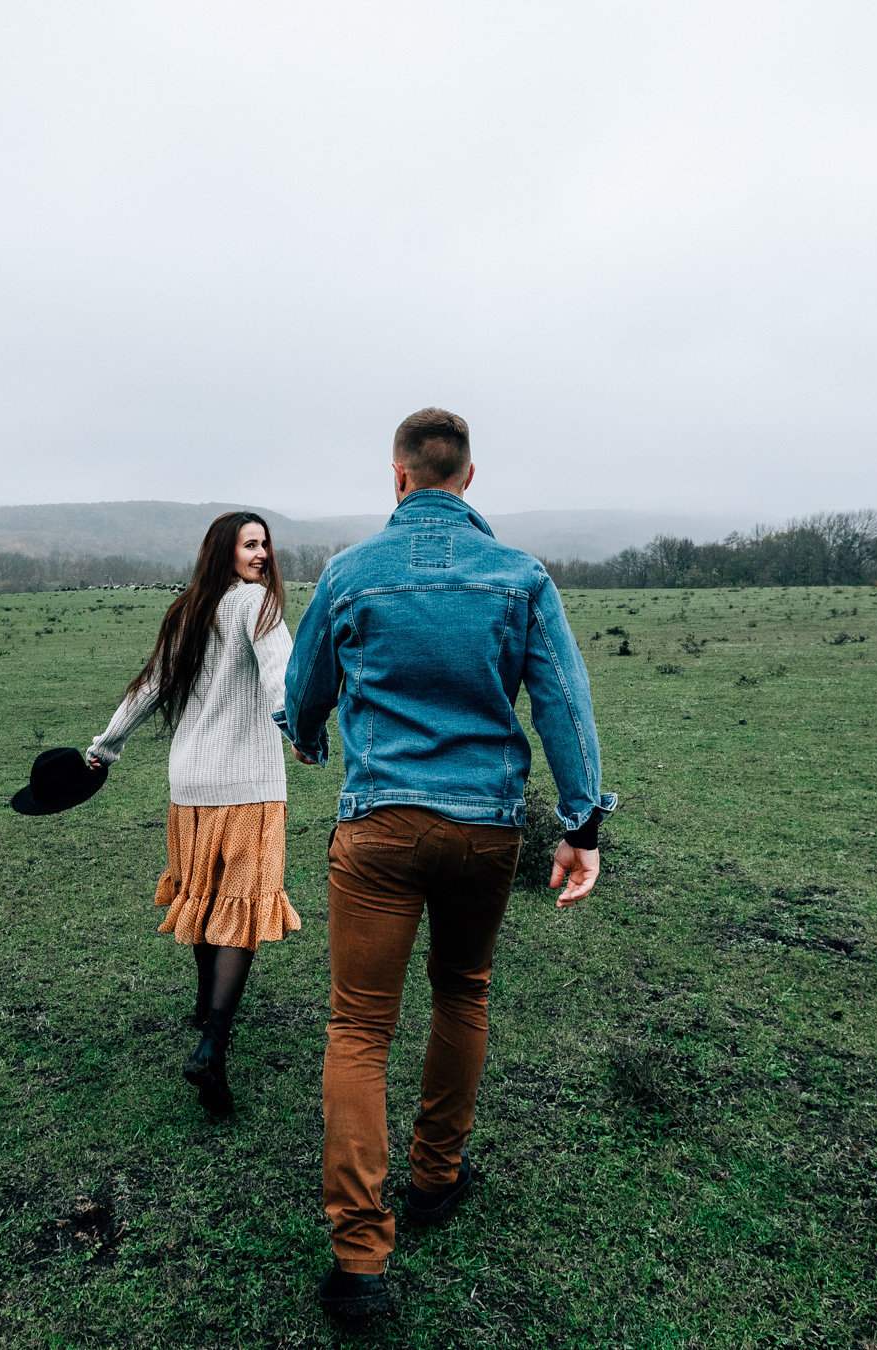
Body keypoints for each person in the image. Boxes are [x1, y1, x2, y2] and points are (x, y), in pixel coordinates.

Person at [278, 408, 614, 1320]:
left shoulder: (349, 573)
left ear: (399, 476)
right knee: (463, 991)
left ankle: (360, 1260)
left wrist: (307, 734)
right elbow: (564, 703)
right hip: (485, 829)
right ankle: (435, 1176)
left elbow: (304, 691)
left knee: (359, 1029)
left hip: (379, 827)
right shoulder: (521, 576)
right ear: (468, 478)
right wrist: (581, 825)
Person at [88, 510, 304, 1118]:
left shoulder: (187, 609)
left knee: (205, 897)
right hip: (248, 785)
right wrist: (298, 729)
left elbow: (149, 686)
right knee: (242, 906)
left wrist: (104, 747)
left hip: (189, 784)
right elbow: (281, 675)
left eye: (265, 544)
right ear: (223, 551)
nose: (261, 555)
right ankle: (213, 1043)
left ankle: (205, 1006)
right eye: (249, 544)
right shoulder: (257, 604)